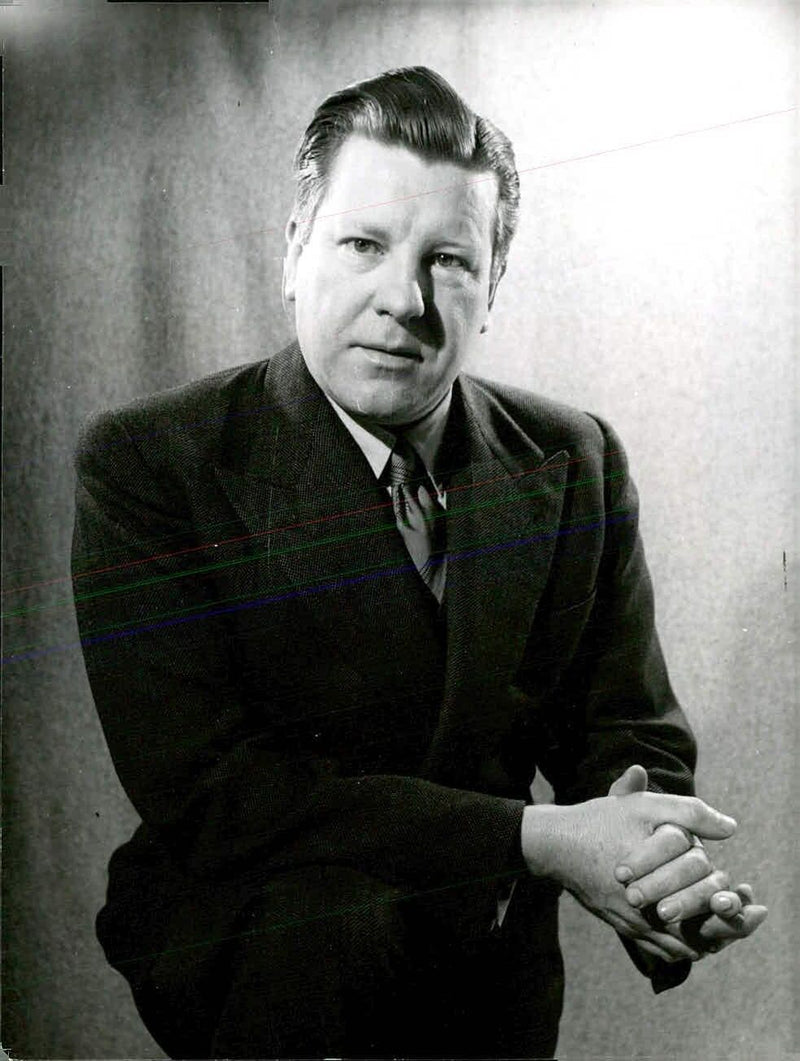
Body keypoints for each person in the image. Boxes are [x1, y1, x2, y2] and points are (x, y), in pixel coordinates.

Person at [72, 67, 766, 1059]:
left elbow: (623, 721)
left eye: (448, 259)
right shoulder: (154, 460)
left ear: (493, 287)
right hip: (262, 958)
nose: (403, 300)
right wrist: (544, 840)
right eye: (362, 243)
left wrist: (648, 846)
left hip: (486, 963)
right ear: (292, 253)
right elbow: (223, 796)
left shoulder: (572, 457)